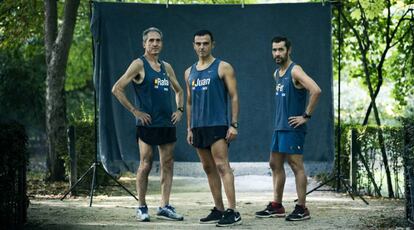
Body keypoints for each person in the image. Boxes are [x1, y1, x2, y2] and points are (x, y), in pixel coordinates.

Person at [112, 27, 184, 222]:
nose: (155, 44)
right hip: (147, 124)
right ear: (144, 43)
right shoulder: (138, 64)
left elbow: (179, 91)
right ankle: (142, 207)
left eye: (158, 40)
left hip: (166, 124)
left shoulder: (166, 67)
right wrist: (135, 111)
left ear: (162, 43)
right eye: (151, 40)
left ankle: (164, 206)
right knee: (146, 163)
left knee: (168, 163)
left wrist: (180, 110)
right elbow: (117, 89)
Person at [255, 36, 321, 221]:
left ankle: (302, 208)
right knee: (274, 164)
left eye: (280, 50)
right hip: (279, 128)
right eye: (274, 50)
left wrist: (305, 116)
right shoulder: (277, 73)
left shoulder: (295, 71)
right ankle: (276, 206)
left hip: (292, 128)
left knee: (296, 166)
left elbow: (316, 90)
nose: (277, 53)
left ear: (288, 50)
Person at [184, 30, 241, 227]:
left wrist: (233, 124)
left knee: (222, 166)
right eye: (198, 43)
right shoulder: (188, 71)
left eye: (205, 43)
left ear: (212, 44)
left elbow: (234, 96)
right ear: (193, 45)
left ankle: (233, 211)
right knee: (208, 168)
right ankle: (219, 209)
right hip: (198, 127)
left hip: (218, 125)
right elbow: (189, 102)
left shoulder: (223, 67)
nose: (202, 47)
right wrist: (189, 128)